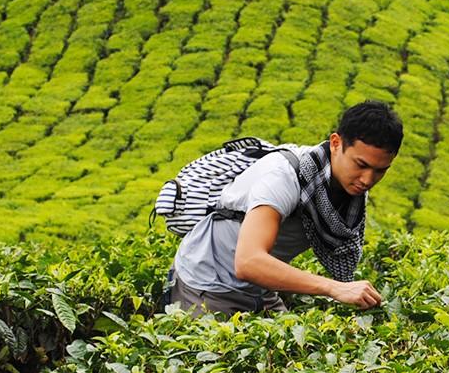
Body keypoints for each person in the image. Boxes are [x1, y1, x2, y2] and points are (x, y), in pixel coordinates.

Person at [169, 100, 402, 316]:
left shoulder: (348, 189)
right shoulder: (285, 178)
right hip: (209, 282)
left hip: (258, 287)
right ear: (335, 143)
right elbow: (248, 262)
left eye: (381, 170)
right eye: (360, 164)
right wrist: (334, 288)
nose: (368, 179)